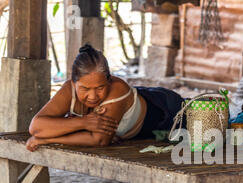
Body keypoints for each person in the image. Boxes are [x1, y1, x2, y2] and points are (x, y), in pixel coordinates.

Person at [26, 44, 185, 152]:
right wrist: (84, 123)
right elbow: (36, 127)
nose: (93, 96)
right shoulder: (68, 89)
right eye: (85, 89)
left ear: (110, 80)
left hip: (168, 111)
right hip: (143, 115)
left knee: (203, 119)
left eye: (100, 88)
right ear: (73, 83)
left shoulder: (117, 89)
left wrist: (47, 140)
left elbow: (99, 140)